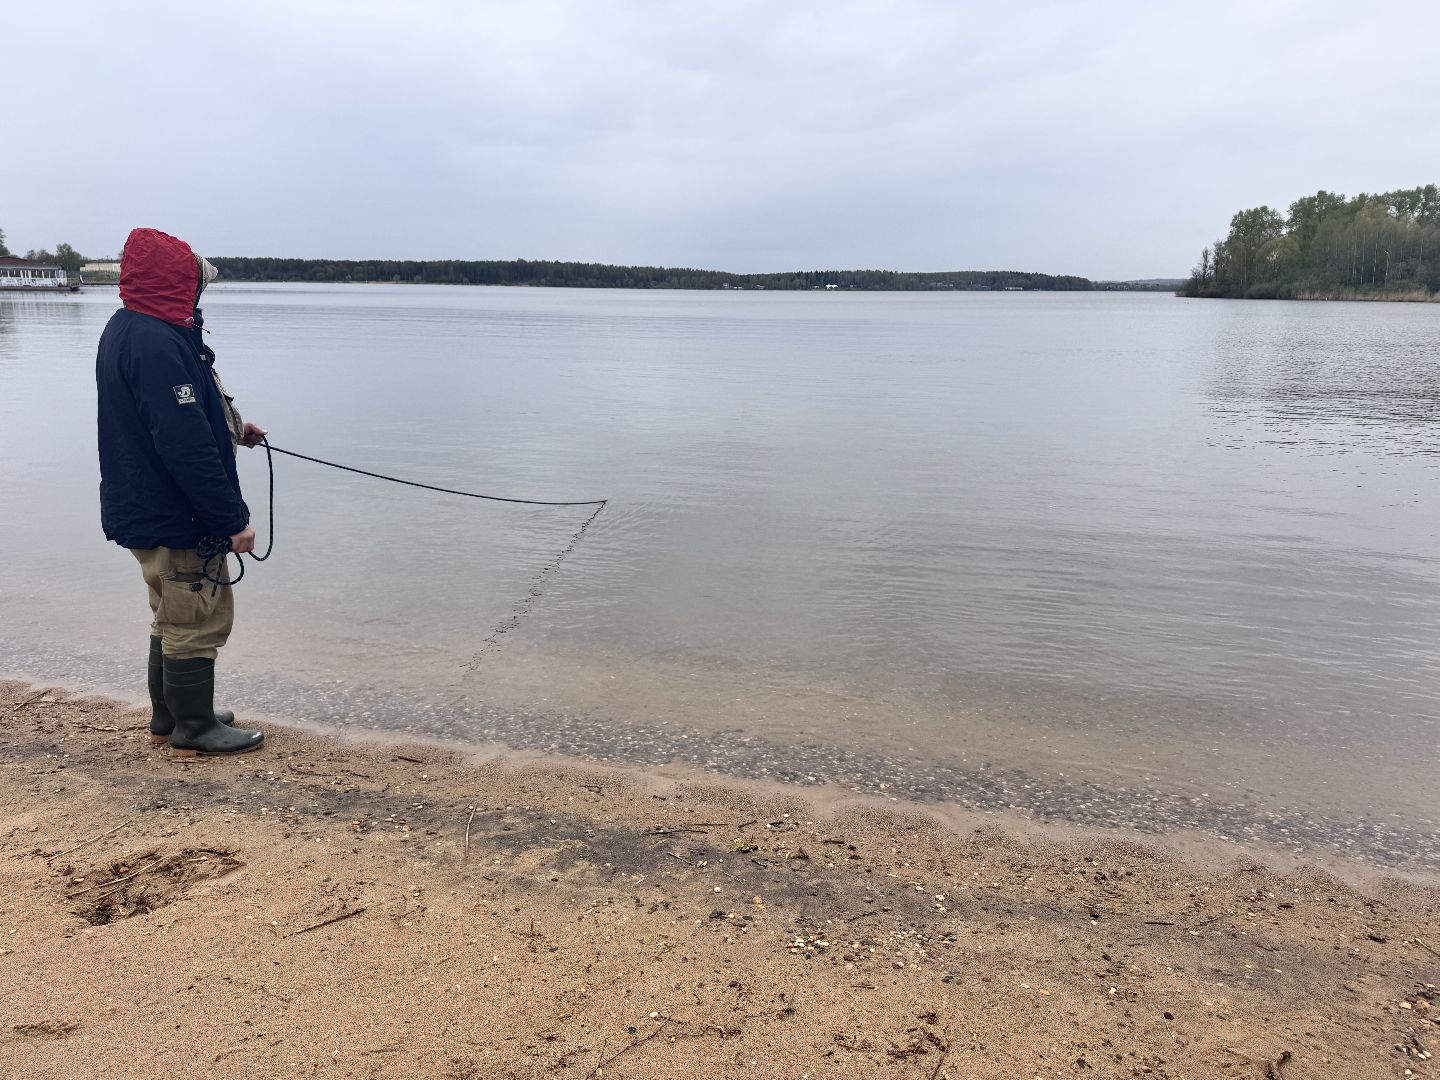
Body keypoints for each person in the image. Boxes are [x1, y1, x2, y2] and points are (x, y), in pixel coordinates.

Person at [96, 227, 266, 757]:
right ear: (176, 282)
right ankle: (194, 726)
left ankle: (170, 715)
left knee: (170, 614)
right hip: (173, 514)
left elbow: (178, 415)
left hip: (146, 506)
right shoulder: (157, 343)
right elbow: (185, 446)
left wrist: (234, 427)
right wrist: (231, 521)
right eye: (196, 282)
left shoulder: (133, 327)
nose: (199, 291)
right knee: (195, 617)